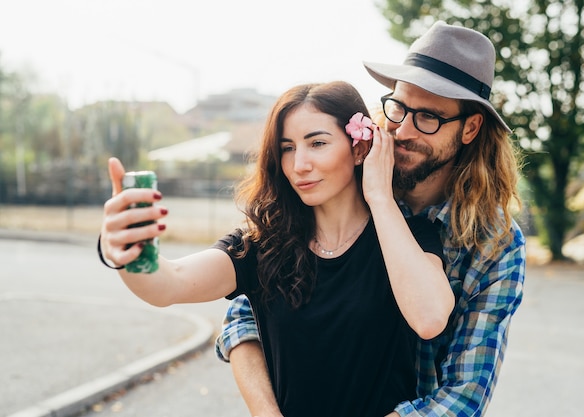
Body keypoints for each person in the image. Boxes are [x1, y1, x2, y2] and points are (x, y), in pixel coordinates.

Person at [215, 21, 526, 417]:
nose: (403, 130)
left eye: (428, 117)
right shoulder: (337, 182)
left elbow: (464, 394)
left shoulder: (494, 242)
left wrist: (380, 200)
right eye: (398, 107)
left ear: (470, 127)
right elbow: (245, 315)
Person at [98, 81, 454, 417]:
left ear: (359, 148)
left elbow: (429, 319)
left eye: (317, 143)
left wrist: (379, 196)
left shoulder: (409, 237)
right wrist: (127, 248)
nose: (299, 165)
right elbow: (168, 283)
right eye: (287, 148)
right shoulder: (262, 244)